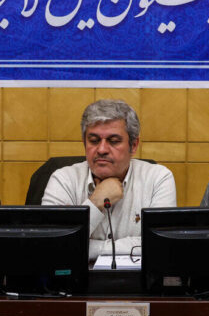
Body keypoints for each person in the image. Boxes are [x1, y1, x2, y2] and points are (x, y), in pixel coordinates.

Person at [41, 99, 176, 260]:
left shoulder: (158, 179)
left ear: (133, 145)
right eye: (94, 140)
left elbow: (159, 246)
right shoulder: (63, 180)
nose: (102, 149)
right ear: (84, 143)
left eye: (113, 141)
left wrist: (86, 247)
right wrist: (96, 202)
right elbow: (52, 246)